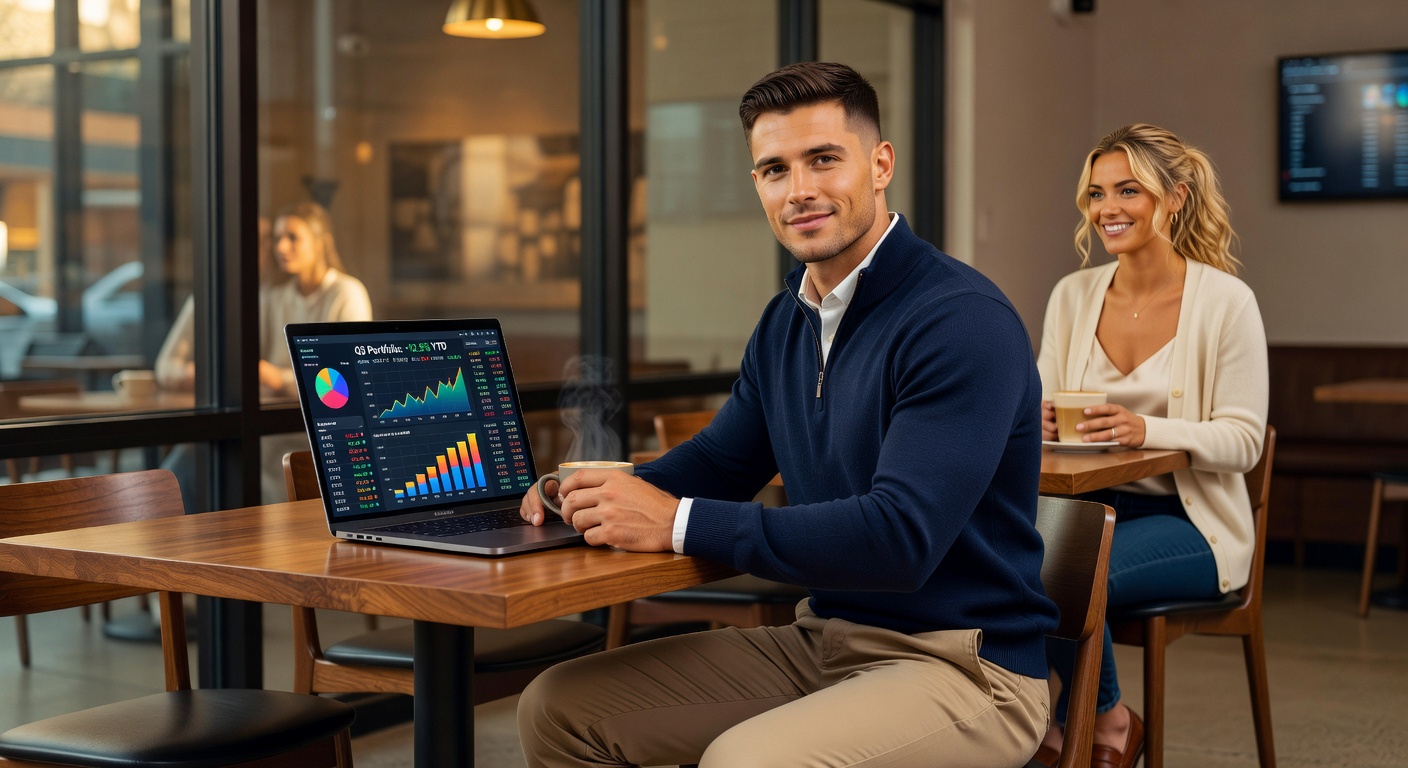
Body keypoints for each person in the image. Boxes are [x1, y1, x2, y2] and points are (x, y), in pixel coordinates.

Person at [516, 61, 1057, 768]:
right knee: (559, 708)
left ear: (880, 163)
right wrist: (591, 493)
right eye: (775, 169)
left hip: (966, 667)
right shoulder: (787, 319)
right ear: (758, 186)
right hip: (823, 639)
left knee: (749, 762)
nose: (799, 190)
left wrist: (674, 521)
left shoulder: (959, 320)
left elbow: (901, 538)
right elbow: (720, 463)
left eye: (824, 160)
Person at [1034, 123, 1268, 768]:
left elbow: (1245, 441)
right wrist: (1041, 420)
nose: (1107, 208)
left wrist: (1147, 428)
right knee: (1014, 558)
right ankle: (1084, 722)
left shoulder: (1226, 302)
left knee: (1053, 577)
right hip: (1085, 510)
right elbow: (1042, 408)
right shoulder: (1072, 296)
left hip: (1191, 525)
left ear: (1175, 198)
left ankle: (1094, 727)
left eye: (1128, 190)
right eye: (1096, 193)